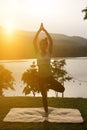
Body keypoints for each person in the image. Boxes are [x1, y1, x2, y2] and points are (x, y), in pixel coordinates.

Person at [33, 23, 65, 117]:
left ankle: (49, 86)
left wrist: (45, 30)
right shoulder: (37, 52)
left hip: (49, 77)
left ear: (46, 45)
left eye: (45, 45)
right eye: (42, 44)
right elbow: (34, 41)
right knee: (44, 97)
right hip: (40, 78)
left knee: (62, 89)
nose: (43, 46)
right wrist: (39, 30)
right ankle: (46, 114)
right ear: (40, 45)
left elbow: (51, 41)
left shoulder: (49, 52)